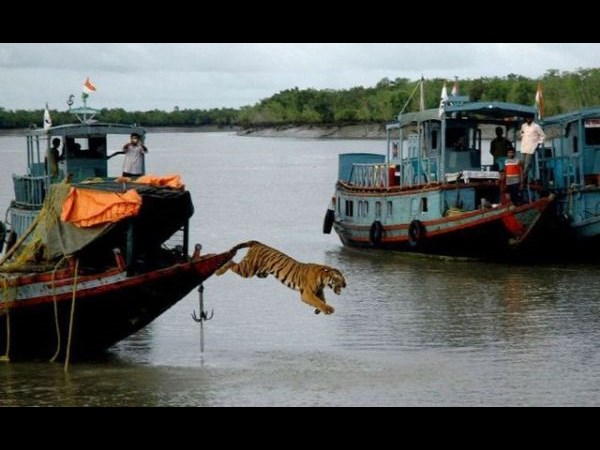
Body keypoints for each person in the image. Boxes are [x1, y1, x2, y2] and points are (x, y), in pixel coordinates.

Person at [519, 114, 545, 180]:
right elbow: (521, 133)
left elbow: (543, 136)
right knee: (521, 162)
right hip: (524, 146)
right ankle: (521, 175)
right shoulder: (523, 126)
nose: (528, 119)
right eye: (527, 118)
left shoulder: (536, 126)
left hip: (531, 147)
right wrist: (522, 137)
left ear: (532, 119)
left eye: (529, 118)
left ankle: (522, 177)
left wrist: (538, 144)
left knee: (527, 164)